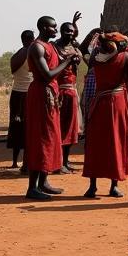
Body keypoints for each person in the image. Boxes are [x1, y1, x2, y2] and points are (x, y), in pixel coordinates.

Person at [25, 16, 80, 201]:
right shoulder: (37, 47)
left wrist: (71, 60)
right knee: (40, 138)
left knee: (50, 137)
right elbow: (47, 74)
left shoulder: (50, 47)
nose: (55, 30)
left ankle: (43, 182)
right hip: (41, 94)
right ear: (42, 27)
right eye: (52, 27)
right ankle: (32, 187)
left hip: (51, 95)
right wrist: (67, 61)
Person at [83, 30, 128, 198]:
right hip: (117, 101)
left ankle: (92, 186)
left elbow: (86, 54)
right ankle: (114, 185)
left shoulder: (96, 57)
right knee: (116, 141)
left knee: (95, 143)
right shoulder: (126, 58)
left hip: (98, 102)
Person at [55, 15, 84, 173]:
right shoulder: (55, 48)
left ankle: (65, 161)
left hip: (72, 91)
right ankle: (57, 162)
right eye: (67, 31)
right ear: (61, 31)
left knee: (70, 129)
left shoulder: (75, 48)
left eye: (72, 31)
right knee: (58, 128)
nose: (70, 34)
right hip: (58, 91)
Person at [8, 29, 35, 170]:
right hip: (28, 93)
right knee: (28, 127)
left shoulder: (16, 55)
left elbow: (14, 71)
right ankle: (26, 162)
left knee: (15, 126)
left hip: (15, 94)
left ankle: (14, 161)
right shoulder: (32, 53)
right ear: (32, 39)